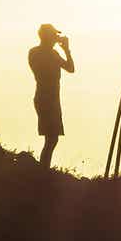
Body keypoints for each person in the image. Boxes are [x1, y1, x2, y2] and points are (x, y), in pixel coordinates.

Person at [28, 23, 74, 169]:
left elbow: (71, 68)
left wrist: (66, 50)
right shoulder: (41, 53)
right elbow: (70, 68)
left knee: (52, 138)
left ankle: (44, 169)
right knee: (51, 138)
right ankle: (43, 170)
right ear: (47, 36)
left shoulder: (47, 53)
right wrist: (65, 50)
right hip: (46, 98)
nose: (56, 39)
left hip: (50, 98)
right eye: (54, 36)